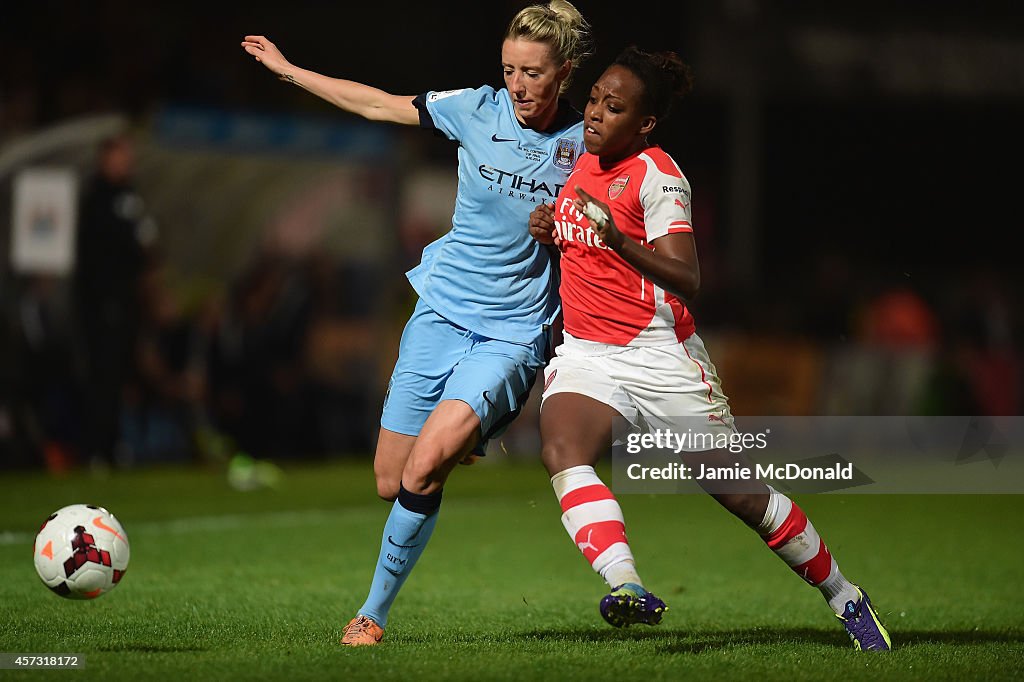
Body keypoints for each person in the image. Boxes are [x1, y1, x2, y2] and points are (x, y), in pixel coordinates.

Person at [242, 1, 598, 646]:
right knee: (390, 479)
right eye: (510, 69)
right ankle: (460, 435)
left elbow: (616, 228)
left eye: (534, 74)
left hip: (514, 330)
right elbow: (379, 103)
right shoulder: (477, 108)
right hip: (441, 309)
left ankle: (371, 614)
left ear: (565, 72)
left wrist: (570, 231)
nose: (518, 85)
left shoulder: (585, 146)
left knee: (423, 469)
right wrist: (290, 70)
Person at [528, 46, 891, 650]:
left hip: (659, 355)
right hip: (589, 352)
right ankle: (626, 586)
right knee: (562, 448)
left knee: (744, 496)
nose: (594, 113)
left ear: (644, 123)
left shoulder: (658, 175)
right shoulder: (582, 162)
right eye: (592, 100)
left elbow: (687, 276)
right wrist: (554, 233)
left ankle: (846, 596)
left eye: (612, 107)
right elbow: (584, 242)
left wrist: (615, 236)